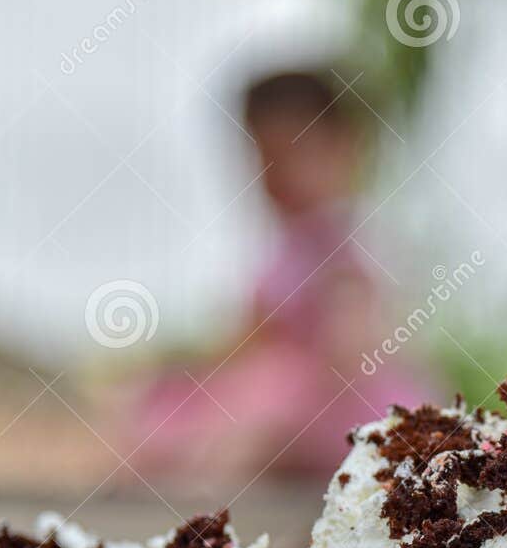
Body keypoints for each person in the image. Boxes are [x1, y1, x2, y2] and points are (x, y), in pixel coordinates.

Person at [126, 69, 432, 482]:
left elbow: (352, 345)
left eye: (294, 156)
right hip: (280, 395)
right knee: (164, 403)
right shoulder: (284, 251)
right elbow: (249, 337)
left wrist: (298, 369)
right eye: (264, 159)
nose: (278, 175)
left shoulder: (341, 242)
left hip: (339, 405)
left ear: (346, 150)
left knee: (259, 415)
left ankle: (207, 508)